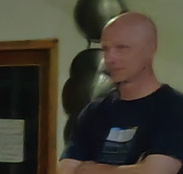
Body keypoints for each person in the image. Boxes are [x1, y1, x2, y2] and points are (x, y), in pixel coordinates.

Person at [60, 12, 183, 174]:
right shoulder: (94, 112)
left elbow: (155, 172)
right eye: (105, 49)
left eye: (122, 48)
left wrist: (90, 169)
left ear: (150, 48)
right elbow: (65, 170)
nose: (110, 59)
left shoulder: (174, 108)